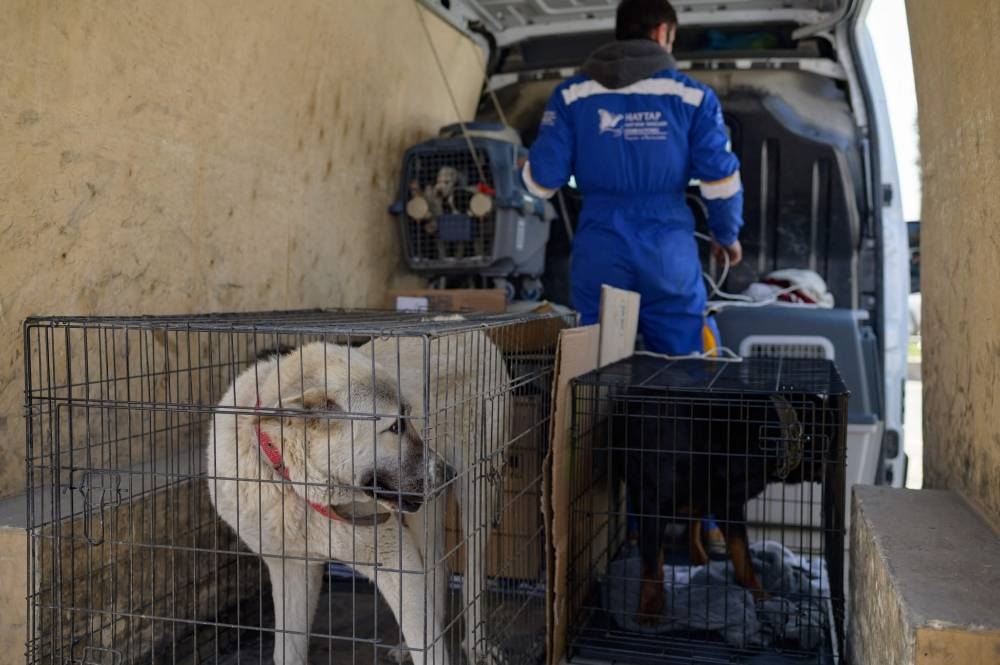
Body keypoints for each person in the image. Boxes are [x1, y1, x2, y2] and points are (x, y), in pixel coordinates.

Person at [521, 0, 744, 355]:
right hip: (667, 249)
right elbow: (720, 179)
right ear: (661, 33)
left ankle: (597, 411)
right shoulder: (693, 96)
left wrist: (525, 163)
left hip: (599, 245)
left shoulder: (571, 94)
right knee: (680, 366)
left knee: (593, 362)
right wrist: (726, 235)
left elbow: (542, 181)